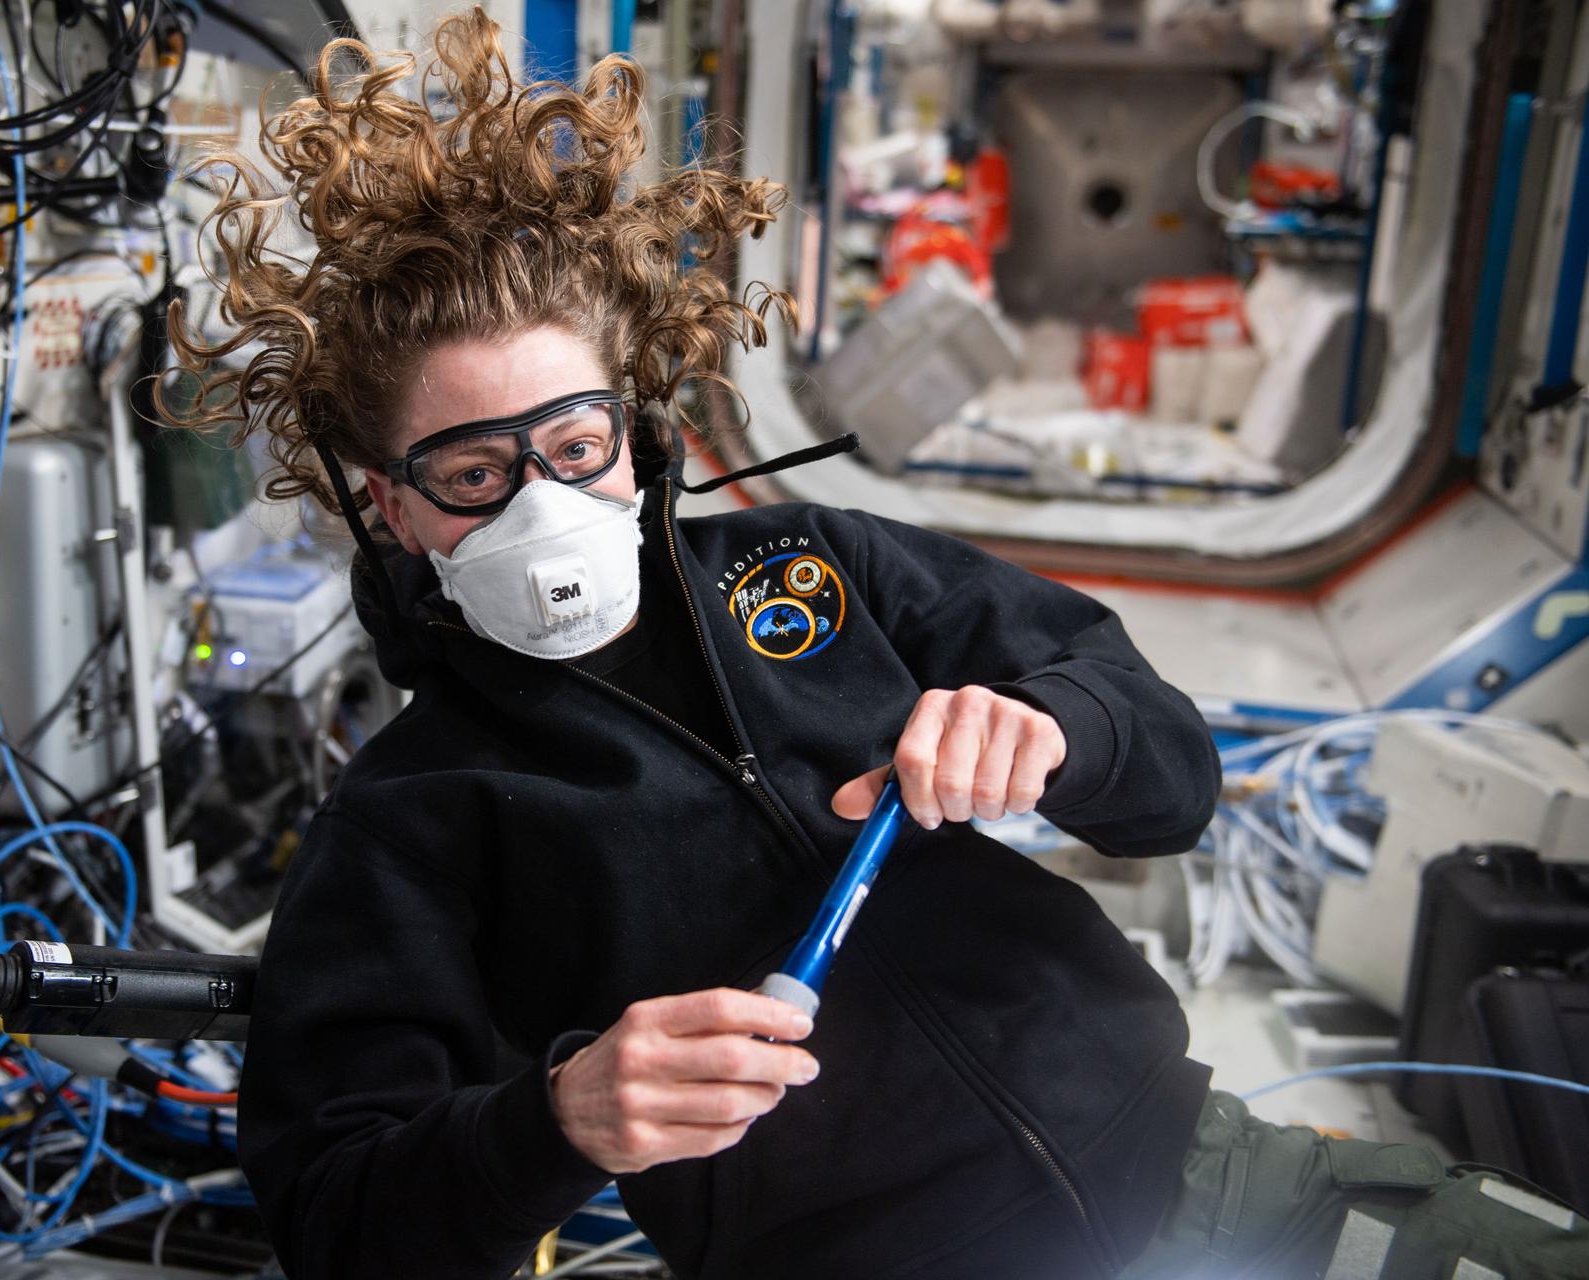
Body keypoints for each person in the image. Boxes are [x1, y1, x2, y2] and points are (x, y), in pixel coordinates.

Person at [178, 11, 1589, 1278]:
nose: (541, 504)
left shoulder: (823, 567)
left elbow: (1175, 775)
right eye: (477, 474)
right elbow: (337, 1221)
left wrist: (1058, 733)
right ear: (391, 506)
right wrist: (557, 1123)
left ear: (637, 432)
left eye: (575, 443)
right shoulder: (406, 821)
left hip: (1208, 1176)